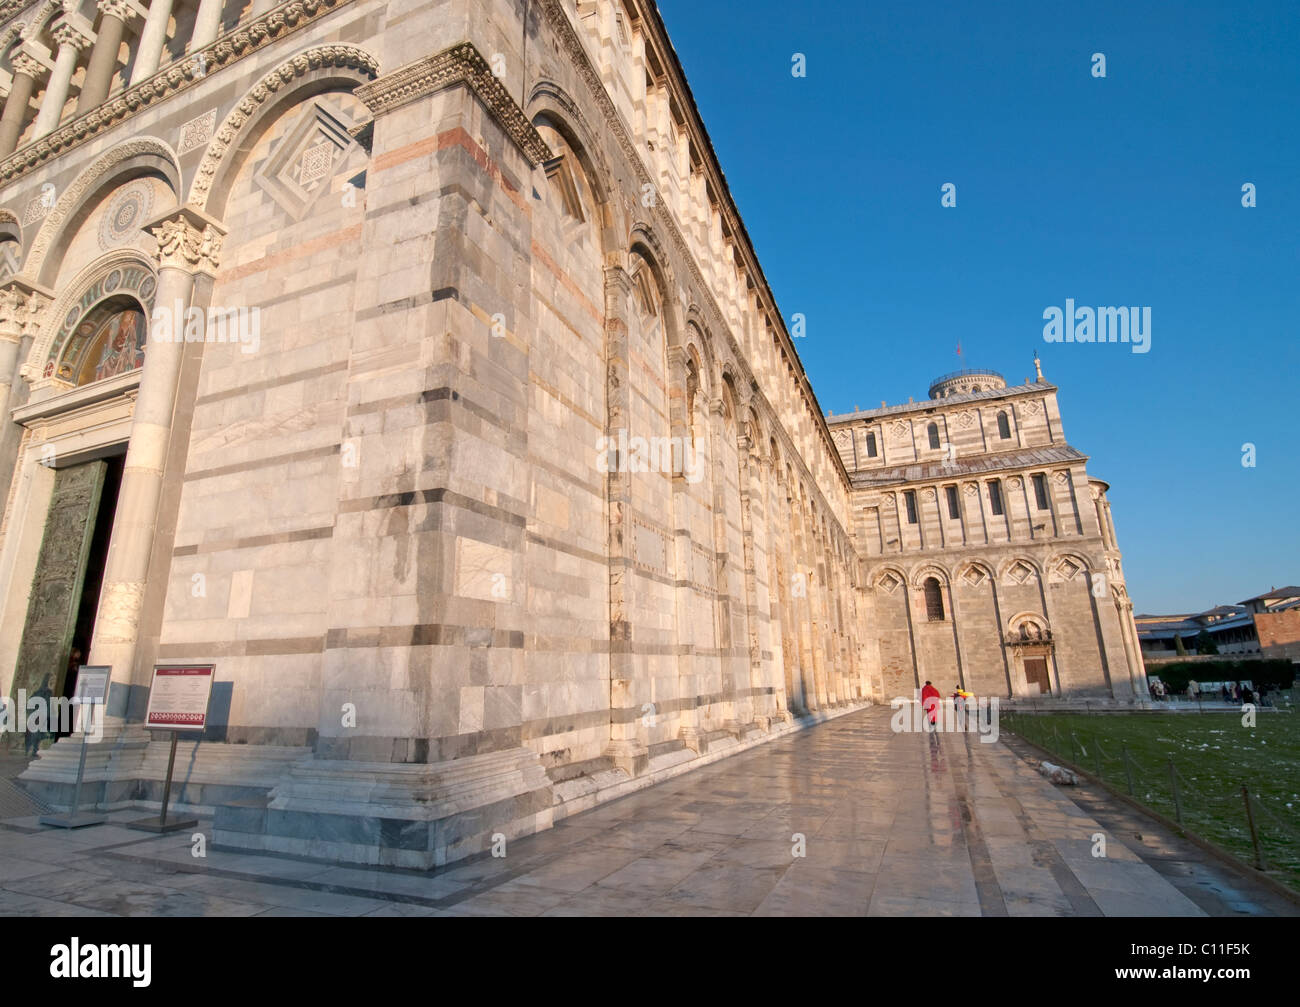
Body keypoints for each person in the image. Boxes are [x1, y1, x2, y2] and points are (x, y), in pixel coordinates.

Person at [24, 674, 52, 758]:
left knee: (36, 735)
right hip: (38, 716)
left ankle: (32, 750)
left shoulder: (41, 693)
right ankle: (30, 750)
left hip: (38, 716)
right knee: (35, 735)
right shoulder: (45, 693)